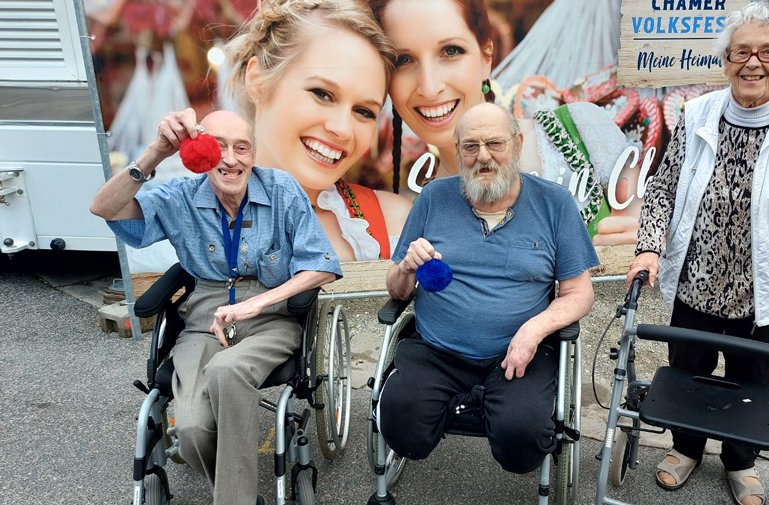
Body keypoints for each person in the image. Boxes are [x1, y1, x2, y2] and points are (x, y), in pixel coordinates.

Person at [624, 4, 769, 505]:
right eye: (741, 52)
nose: (752, 63)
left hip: (764, 285)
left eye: (767, 52)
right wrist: (649, 248)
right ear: (725, 61)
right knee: (687, 368)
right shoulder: (697, 113)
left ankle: (741, 462)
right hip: (696, 279)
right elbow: (661, 190)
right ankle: (685, 448)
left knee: (753, 377)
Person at [89, 108, 341, 505]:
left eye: (242, 148)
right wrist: (158, 151)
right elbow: (104, 207)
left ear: (253, 155)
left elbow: (322, 266)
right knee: (190, 430)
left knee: (227, 369)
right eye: (219, 146)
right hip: (204, 318)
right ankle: (238, 491)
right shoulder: (181, 197)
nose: (231, 159)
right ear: (200, 151)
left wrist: (256, 303)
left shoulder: (281, 190)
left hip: (271, 318)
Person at [377, 102, 598, 474]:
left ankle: (499, 408)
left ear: (517, 144)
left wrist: (534, 331)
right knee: (401, 426)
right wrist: (406, 266)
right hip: (436, 352)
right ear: (457, 151)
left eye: (495, 143)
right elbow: (398, 291)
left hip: (518, 355)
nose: (483, 156)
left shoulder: (554, 204)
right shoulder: (433, 198)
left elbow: (579, 292)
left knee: (522, 440)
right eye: (470, 146)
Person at [368, 0, 632, 246]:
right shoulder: (418, 223)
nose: (429, 87)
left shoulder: (582, 131)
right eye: (403, 60)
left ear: (486, 56)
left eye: (450, 51)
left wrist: (646, 244)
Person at [225, 0, 411, 262]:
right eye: (322, 94)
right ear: (258, 81)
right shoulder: (186, 219)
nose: (342, 129)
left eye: (363, 111)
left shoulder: (397, 227)